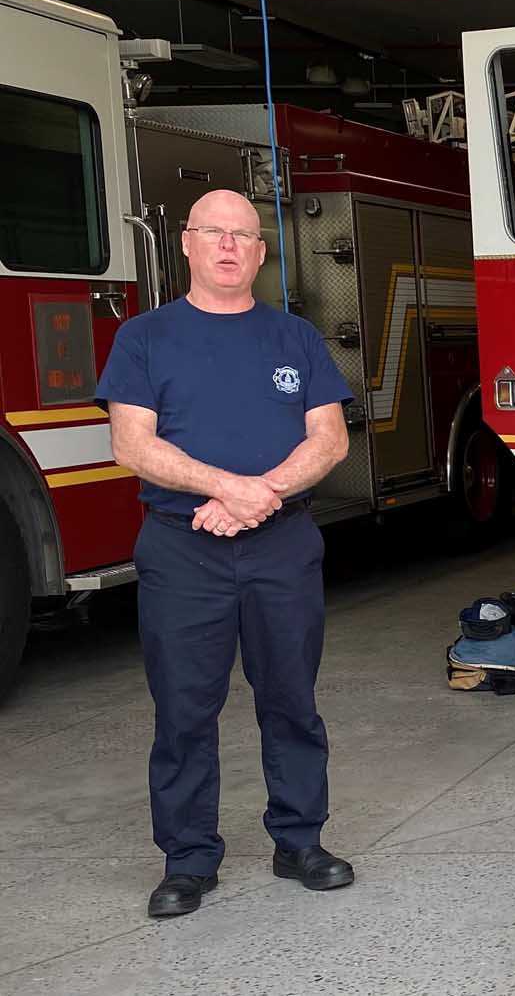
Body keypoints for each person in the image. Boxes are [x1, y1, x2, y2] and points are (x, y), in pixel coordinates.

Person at [96, 190, 355, 917]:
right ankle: (188, 859)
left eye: (244, 235)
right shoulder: (145, 339)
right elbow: (132, 443)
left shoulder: (295, 338)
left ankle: (299, 840)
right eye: (215, 232)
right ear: (186, 242)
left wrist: (259, 495)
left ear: (262, 253)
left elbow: (329, 438)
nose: (230, 246)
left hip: (282, 544)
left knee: (291, 699)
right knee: (182, 708)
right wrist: (226, 487)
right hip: (183, 550)